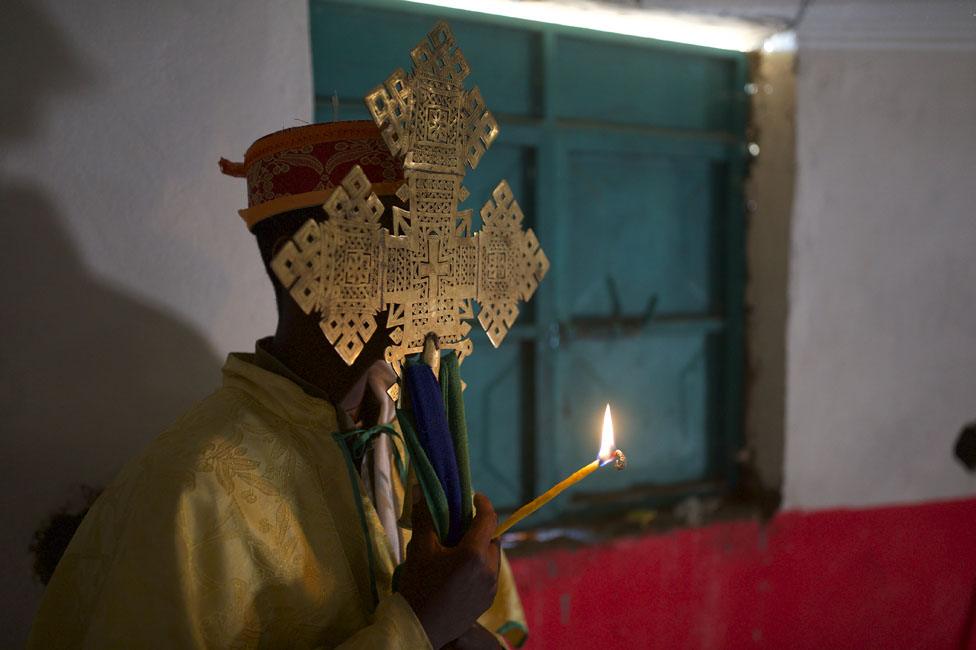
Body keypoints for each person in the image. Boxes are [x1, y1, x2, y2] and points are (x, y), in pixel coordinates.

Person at [28, 122, 527, 649]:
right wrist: (418, 628)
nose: (436, 280)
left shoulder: (416, 446)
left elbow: (488, 626)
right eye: (404, 246)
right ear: (302, 262)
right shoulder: (193, 493)